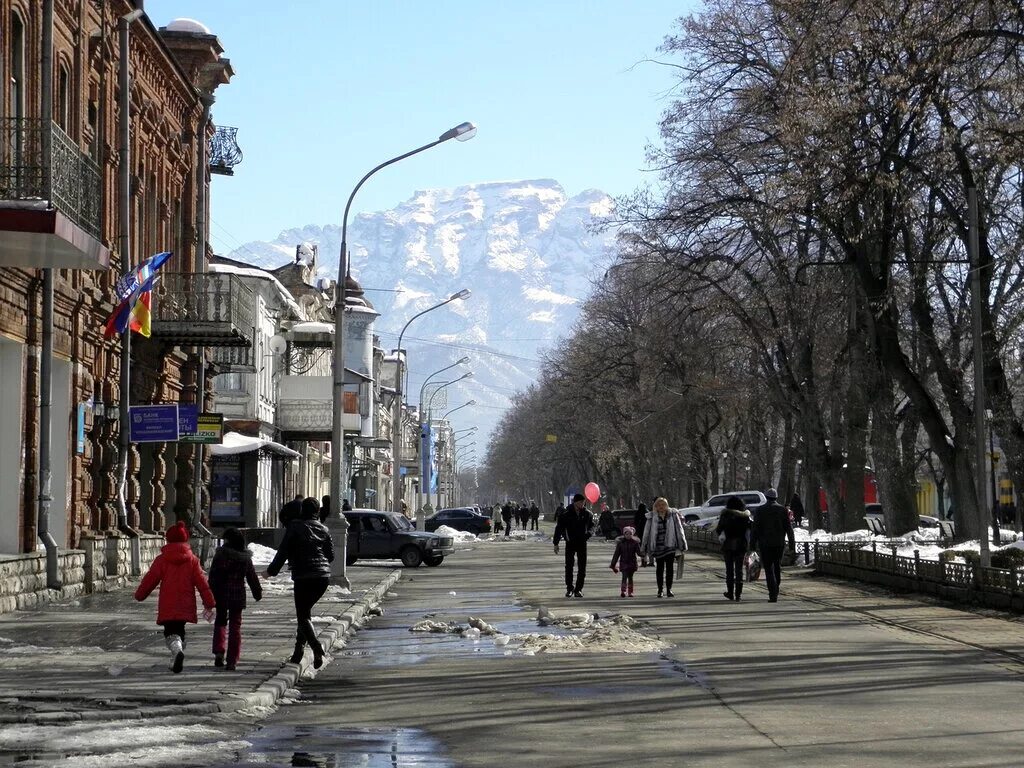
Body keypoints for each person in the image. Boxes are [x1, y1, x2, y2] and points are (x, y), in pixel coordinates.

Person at [134, 521, 215, 674]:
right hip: (186, 603)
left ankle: (177, 651)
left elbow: (150, 579)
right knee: (180, 630)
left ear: (168, 540)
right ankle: (176, 656)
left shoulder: (162, 560)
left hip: (168, 603)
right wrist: (209, 602)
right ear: (186, 540)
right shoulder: (193, 560)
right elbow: (202, 583)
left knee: (170, 632)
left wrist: (140, 595)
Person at [266, 497, 335, 668]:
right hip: (322, 578)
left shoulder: (295, 527)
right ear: (317, 511)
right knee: (305, 614)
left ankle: (316, 647)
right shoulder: (324, 529)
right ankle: (298, 652)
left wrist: (271, 571)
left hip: (304, 576)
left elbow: (283, 551)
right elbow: (331, 556)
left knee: (302, 615)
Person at [208, 527, 262, 670]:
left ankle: (219, 652)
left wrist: (210, 593)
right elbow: (252, 577)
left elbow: (213, 576)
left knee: (220, 621)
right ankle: (232, 660)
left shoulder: (220, 556)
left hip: (221, 593)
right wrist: (257, 592)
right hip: (238, 595)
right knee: (235, 626)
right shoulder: (245, 558)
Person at [750, 488, 796, 603]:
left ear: (766, 497)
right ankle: (776, 588)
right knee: (777, 566)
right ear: (776, 498)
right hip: (779, 544)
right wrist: (791, 545)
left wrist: (752, 545)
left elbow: (755, 529)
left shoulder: (760, 510)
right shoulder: (783, 510)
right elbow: (789, 529)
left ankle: (773, 593)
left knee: (769, 569)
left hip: (765, 544)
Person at [641, 497, 686, 598]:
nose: (661, 507)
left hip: (670, 546)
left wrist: (682, 544)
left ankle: (669, 589)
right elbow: (646, 533)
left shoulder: (673, 515)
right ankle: (660, 590)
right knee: (660, 569)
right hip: (658, 547)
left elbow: (679, 530)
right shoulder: (651, 517)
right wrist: (643, 547)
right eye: (659, 505)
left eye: (663, 505)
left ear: (667, 505)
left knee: (670, 569)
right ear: (656, 507)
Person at [553, 493, 594, 598]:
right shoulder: (566, 514)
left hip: (582, 542)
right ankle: (569, 588)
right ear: (575, 502)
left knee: (582, 567)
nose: (582, 504)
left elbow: (591, 527)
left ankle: (578, 589)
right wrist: (556, 543)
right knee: (569, 566)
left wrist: (588, 534)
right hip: (570, 542)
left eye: (584, 502)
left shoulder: (587, 514)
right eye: (581, 502)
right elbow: (559, 528)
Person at [716, 496, 751, 601]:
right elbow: (750, 529)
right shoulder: (745, 516)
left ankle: (730, 593)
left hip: (728, 545)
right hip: (741, 545)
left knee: (729, 570)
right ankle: (738, 595)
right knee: (739, 570)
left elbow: (719, 529)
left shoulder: (725, 515)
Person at [610, 525, 642, 597]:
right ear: (624, 534)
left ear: (632, 534)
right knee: (624, 576)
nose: (628, 535)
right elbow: (616, 555)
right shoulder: (621, 543)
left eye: (630, 534)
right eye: (627, 534)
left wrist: (644, 555)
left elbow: (639, 553)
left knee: (630, 577)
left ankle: (630, 592)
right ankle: (623, 591)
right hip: (624, 562)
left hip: (632, 562)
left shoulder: (635, 543)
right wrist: (613, 564)